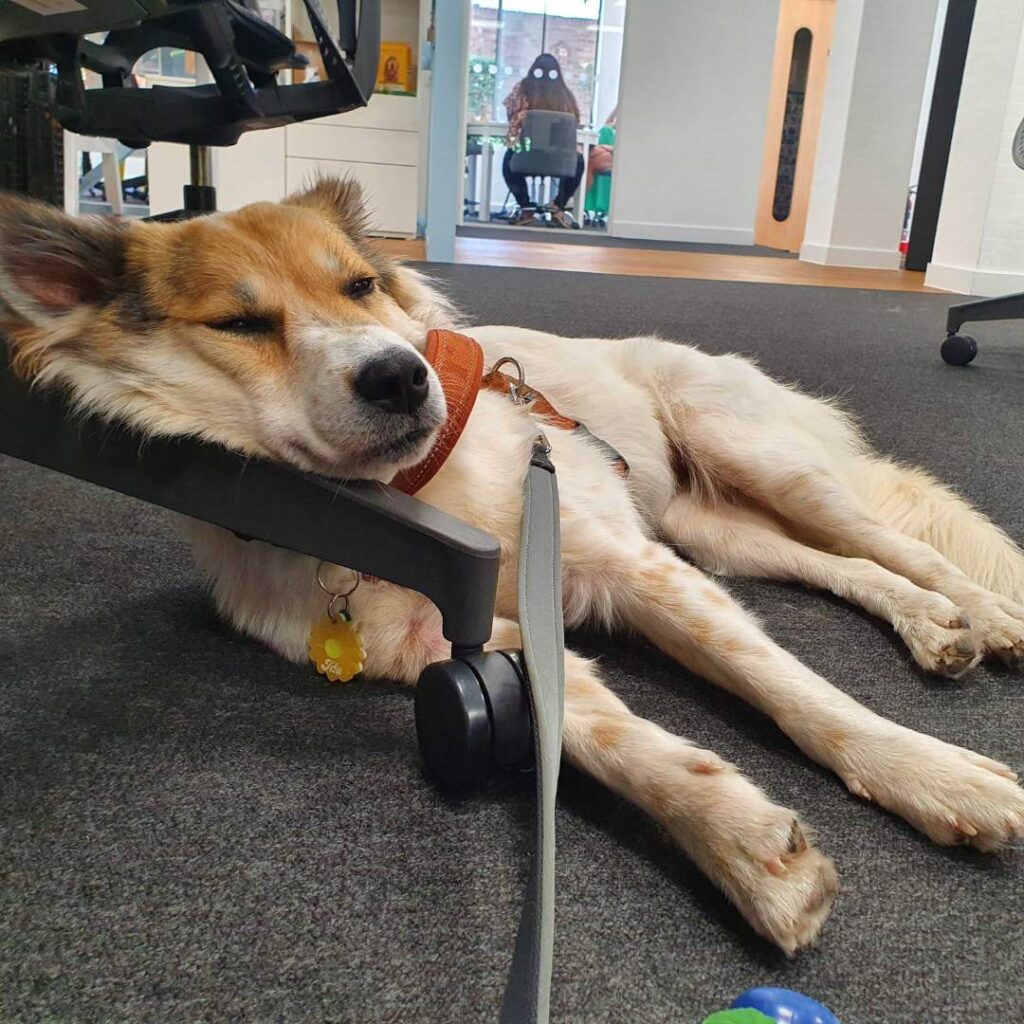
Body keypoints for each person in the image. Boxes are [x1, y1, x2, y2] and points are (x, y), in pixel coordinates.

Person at [501, 53, 584, 228]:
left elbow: (511, 113)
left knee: (509, 160)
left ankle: (526, 208)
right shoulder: (565, 95)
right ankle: (558, 207)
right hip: (558, 158)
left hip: (527, 153)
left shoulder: (522, 89)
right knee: (578, 161)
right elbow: (575, 121)